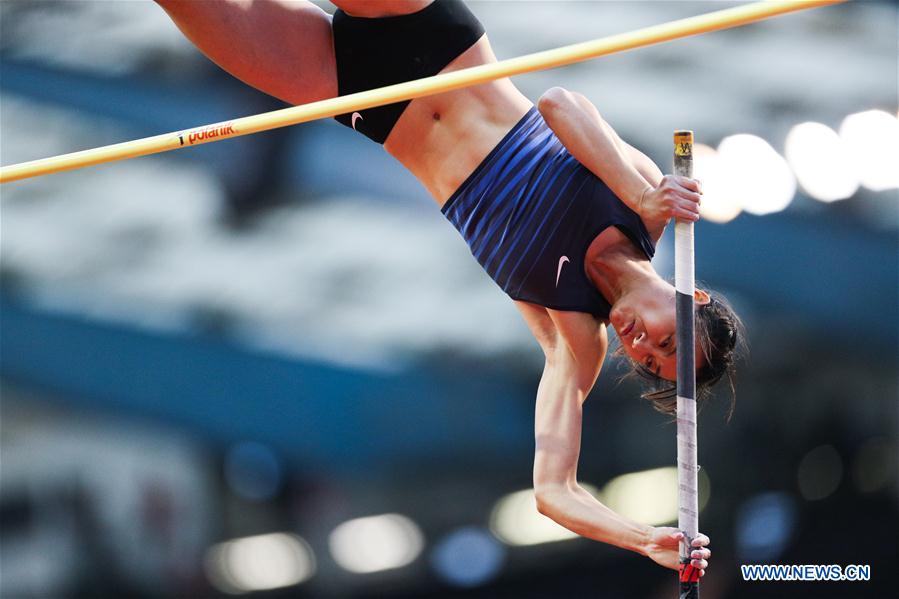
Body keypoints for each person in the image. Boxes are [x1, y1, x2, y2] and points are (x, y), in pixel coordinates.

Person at [154, 0, 742, 575]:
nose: (643, 348)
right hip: (432, 39)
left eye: (649, 364)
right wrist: (643, 195)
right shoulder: (645, 205)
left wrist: (643, 539)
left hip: (365, 100)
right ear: (691, 297)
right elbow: (561, 104)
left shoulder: (573, 339)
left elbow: (553, 491)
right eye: (669, 343)